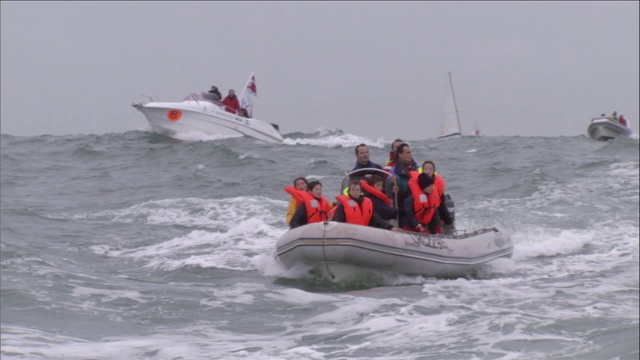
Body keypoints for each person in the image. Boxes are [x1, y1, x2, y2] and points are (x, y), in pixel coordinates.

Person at [333, 180, 399, 231]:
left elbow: (375, 218)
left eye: (357, 190)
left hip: (363, 232)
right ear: (349, 191)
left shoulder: (366, 203)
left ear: (360, 191)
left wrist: (389, 227)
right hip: (348, 233)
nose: (355, 192)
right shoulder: (342, 206)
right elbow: (337, 219)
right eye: (353, 190)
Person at [420, 160, 455, 233]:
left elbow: (442, 204)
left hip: (435, 213)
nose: (428, 171)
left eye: (430, 169)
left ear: (434, 171)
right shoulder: (418, 183)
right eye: (426, 169)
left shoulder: (437, 184)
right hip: (422, 214)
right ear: (422, 170)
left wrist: (450, 221)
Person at [386, 143, 418, 208]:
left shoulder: (417, 168)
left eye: (410, 153)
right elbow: (388, 189)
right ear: (400, 155)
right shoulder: (394, 171)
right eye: (407, 153)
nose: (410, 155)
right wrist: (392, 183)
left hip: (417, 201)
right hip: (403, 202)